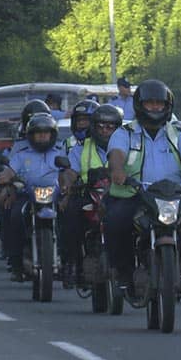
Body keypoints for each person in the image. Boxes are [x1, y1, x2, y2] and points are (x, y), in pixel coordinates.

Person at [104, 79, 181, 291]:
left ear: (168, 106)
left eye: (160, 103)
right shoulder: (125, 133)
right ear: (140, 105)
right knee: (116, 220)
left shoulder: (178, 132)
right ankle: (123, 274)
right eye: (150, 103)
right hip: (135, 194)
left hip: (174, 196)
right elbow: (116, 155)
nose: (156, 107)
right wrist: (118, 171)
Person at [59, 104, 122, 286]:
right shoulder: (82, 148)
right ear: (93, 128)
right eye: (100, 126)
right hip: (89, 194)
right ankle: (73, 263)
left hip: (118, 196)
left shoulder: (128, 147)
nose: (105, 131)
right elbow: (70, 171)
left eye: (110, 127)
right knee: (69, 214)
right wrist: (68, 184)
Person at [0, 113, 64, 281]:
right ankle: (16, 264)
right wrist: (6, 178)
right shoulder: (22, 155)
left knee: (70, 218)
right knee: (15, 216)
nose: (42, 136)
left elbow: (70, 172)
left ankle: (70, 263)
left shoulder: (61, 152)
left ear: (52, 134)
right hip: (27, 196)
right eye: (38, 132)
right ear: (31, 135)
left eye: (46, 132)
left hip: (55, 197)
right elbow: (9, 172)